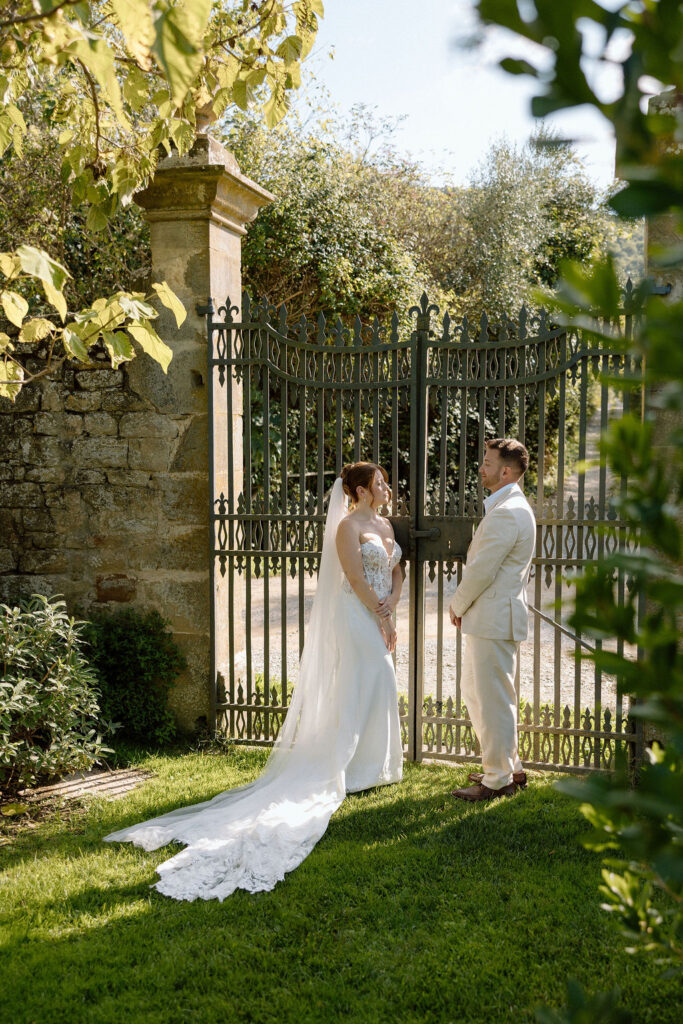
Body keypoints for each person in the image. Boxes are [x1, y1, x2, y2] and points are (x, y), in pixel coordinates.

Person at [103, 462, 403, 900]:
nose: (386, 486)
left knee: (380, 682)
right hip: (358, 615)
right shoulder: (345, 527)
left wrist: (393, 603)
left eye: (384, 481)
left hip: (380, 612)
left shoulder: (385, 523)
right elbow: (355, 578)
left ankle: (378, 765)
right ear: (359, 489)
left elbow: (395, 569)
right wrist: (380, 616)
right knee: (366, 678)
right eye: (378, 482)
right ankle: (350, 766)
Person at [449, 438, 536, 802]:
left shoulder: (506, 512)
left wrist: (456, 605)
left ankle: (497, 779)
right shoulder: (509, 507)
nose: (481, 468)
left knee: (493, 701)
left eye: (487, 463)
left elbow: (481, 570)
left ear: (506, 470)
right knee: (480, 694)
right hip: (494, 617)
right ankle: (507, 767)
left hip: (493, 618)